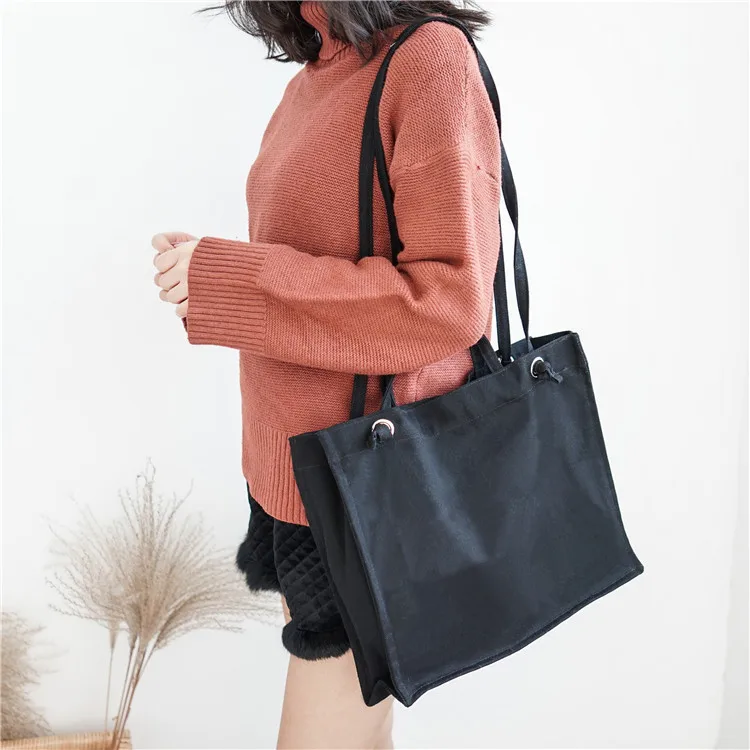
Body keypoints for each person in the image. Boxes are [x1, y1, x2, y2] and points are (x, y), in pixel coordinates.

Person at [151, 1, 500, 747]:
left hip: (366, 480)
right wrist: (211, 270)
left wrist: (235, 281)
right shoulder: (319, 70)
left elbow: (448, 300)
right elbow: (316, 257)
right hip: (296, 470)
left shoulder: (428, 58)